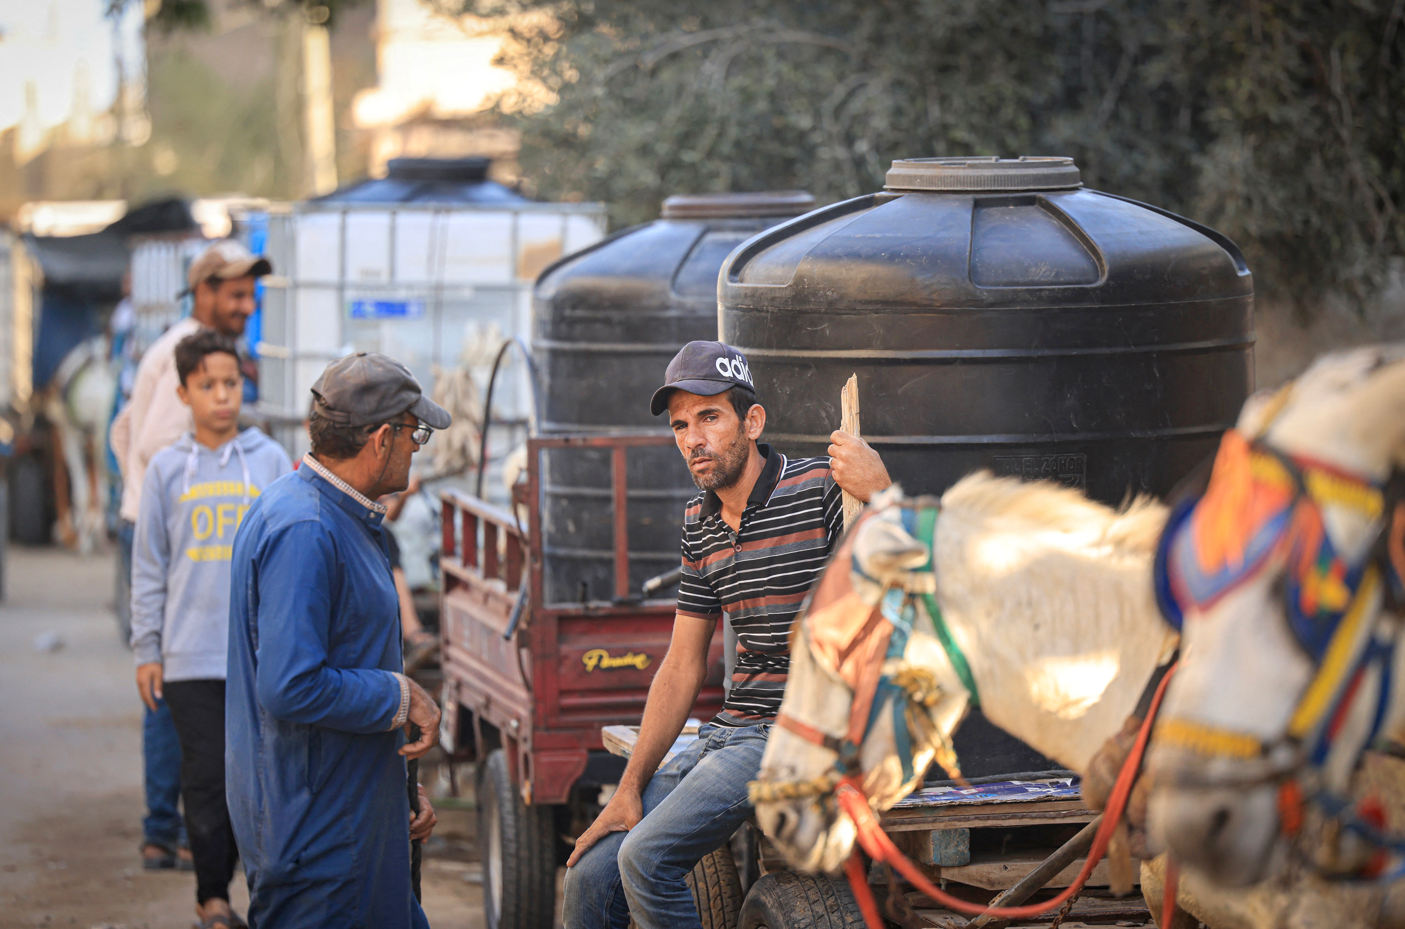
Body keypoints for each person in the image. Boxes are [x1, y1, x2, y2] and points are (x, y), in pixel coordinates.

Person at [562, 341, 892, 929]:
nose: (693, 438)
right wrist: (628, 787)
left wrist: (882, 491)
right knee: (589, 876)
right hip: (728, 734)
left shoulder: (821, 490)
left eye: (710, 417)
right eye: (681, 425)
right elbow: (683, 663)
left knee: (646, 859)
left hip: (797, 732)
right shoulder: (700, 521)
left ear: (752, 421)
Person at [226, 352, 449, 928]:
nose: (416, 447)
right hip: (319, 840)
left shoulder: (328, 515)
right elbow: (291, 684)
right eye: (413, 432)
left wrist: (394, 798)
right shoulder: (306, 529)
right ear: (380, 439)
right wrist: (400, 695)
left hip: (348, 820)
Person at [109, 237, 271, 872]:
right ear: (204, 293)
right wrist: (159, 491)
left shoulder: (216, 355)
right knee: (174, 684)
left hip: (186, 512)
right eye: (234, 293)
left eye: (249, 292)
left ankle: (177, 823)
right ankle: (164, 825)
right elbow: (145, 440)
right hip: (173, 525)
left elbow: (123, 426)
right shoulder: (182, 352)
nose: (246, 303)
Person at [130, 331, 292, 928]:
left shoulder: (271, 461)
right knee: (203, 780)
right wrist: (148, 649)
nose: (222, 397)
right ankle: (212, 897)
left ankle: (266, 895)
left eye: (231, 384)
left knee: (261, 783)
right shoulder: (168, 470)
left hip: (260, 658)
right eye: (208, 386)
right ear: (183, 393)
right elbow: (148, 567)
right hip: (190, 657)